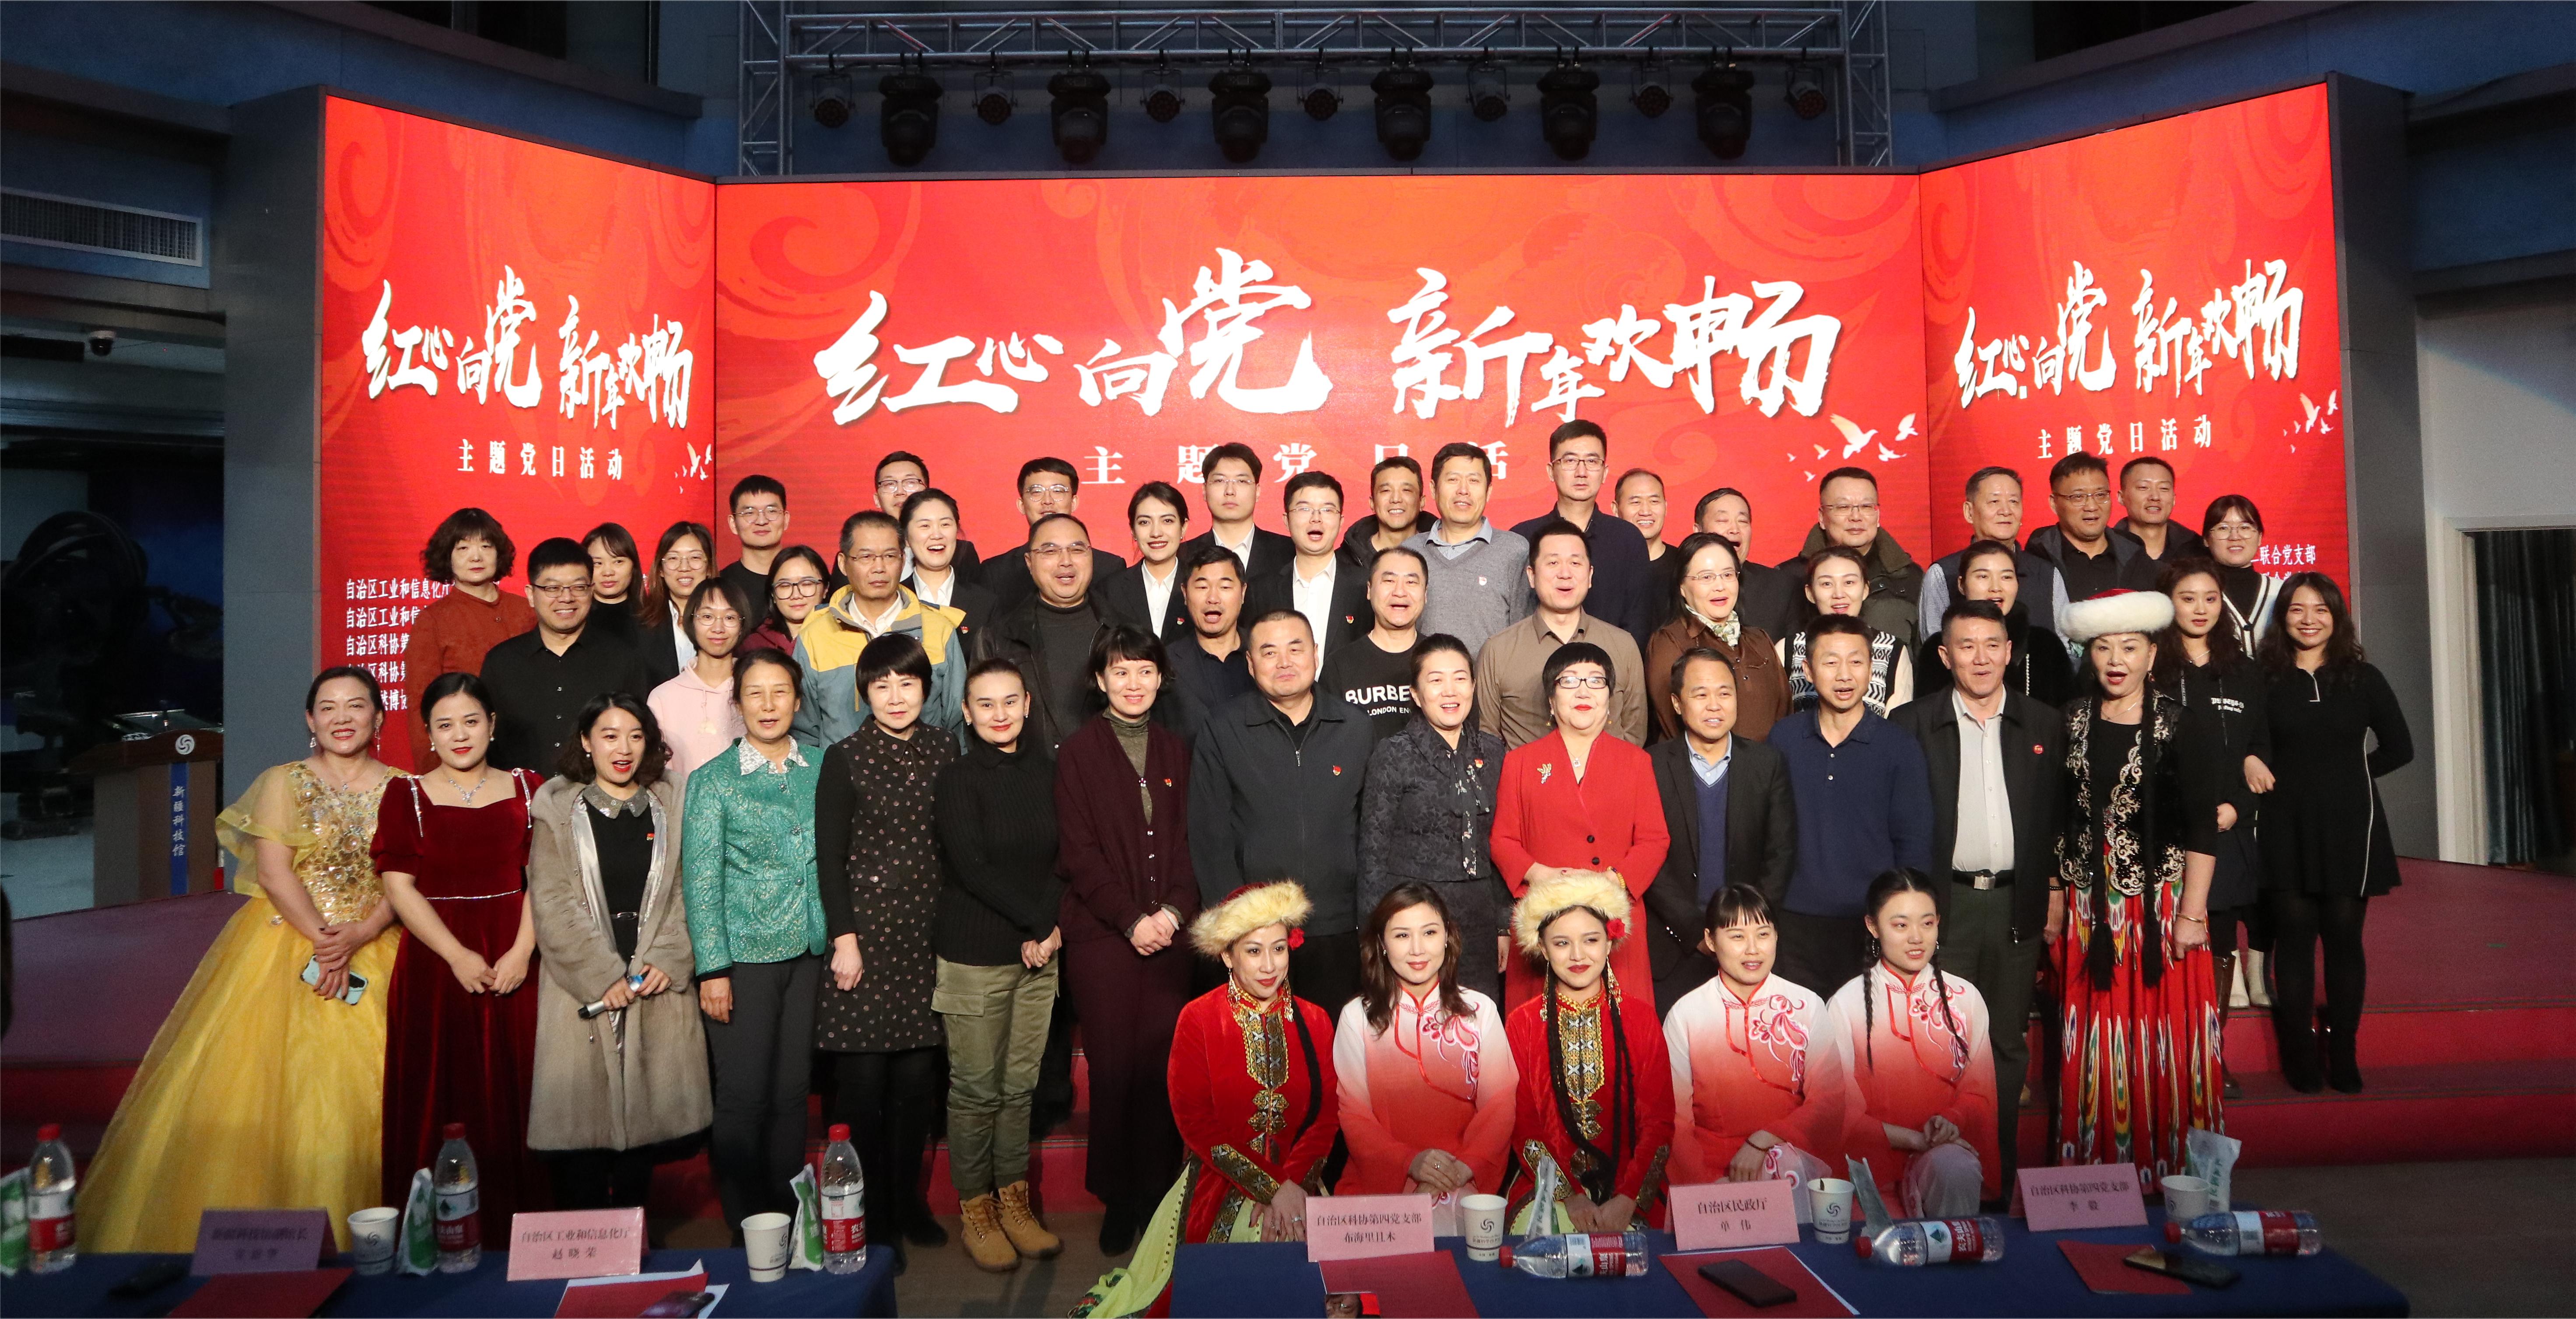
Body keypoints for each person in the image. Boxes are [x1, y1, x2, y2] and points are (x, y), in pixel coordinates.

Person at [77, 668, 408, 1252]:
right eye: (327, 707)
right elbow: (275, 874)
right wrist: (326, 941)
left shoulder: (404, 787)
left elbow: (404, 877)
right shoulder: (283, 781)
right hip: (288, 940)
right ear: (310, 720)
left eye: (356, 705)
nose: (342, 717)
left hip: (376, 939)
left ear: (379, 716)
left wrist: (361, 931)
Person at [1072, 882, 1339, 1318]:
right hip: (1219, 1181)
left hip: (1300, 1180)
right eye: (1253, 951)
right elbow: (1194, 1122)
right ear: (1227, 956)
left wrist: (1293, 1187)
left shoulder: (1315, 1019)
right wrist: (1270, 1188)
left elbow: (1325, 1115)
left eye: (1278, 949)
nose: (1269, 965)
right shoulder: (1198, 1017)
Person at [1888, 600, 2066, 1192]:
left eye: (1992, 644)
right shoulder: (1912, 724)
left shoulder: (2043, 723)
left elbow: (2056, 818)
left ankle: (1996, 1180)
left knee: (2005, 1045)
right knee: (1940, 1044)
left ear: (2009, 651)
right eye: (1966, 646)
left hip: (2015, 902)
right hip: (1944, 907)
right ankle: (1939, 1181)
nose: (1981, 657)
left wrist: (2052, 887)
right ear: (1945, 656)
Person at [2053, 588, 2225, 1183]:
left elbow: (2201, 825)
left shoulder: (2181, 724)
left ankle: (2174, 1173)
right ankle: (2097, 1171)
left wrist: (2192, 914)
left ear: (2152, 655)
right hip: (2088, 911)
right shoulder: (2071, 719)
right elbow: (2057, 815)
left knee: (2167, 1038)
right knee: (2095, 1041)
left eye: (2129, 647)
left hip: (2162, 909)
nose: (2115, 660)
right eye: (2103, 647)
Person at [375, 671, 547, 1242]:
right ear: (428, 733)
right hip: (436, 960)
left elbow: (545, 876)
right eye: (445, 725)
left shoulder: (528, 787)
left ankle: (526, 1235)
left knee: (522, 1089)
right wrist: (456, 955)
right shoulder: (406, 794)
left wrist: (522, 949)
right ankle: (440, 1236)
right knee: (442, 1093)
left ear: (492, 725)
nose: (460, 735)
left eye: (471, 721)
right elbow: (398, 885)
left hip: (516, 950)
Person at [525, 694, 709, 1211]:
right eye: (609, 736)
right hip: (581, 985)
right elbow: (551, 899)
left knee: (644, 1143)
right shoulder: (557, 806)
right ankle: (586, 1247)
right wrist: (601, 975)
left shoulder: (674, 799)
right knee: (581, 1141)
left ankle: (634, 1242)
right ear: (587, 742)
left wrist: (670, 956)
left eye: (634, 735)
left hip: (654, 979)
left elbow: (691, 886)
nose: (622, 748)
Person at [1055, 625, 1204, 1254]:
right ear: (1099, 680)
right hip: (1102, 936)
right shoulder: (1076, 753)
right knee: (1114, 1068)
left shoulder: (1178, 750)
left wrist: (1170, 912)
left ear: (1161, 678)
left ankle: (1157, 1194)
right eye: (1120, 671)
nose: (1133, 682)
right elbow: (1078, 852)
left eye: (1144, 670)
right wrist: (1130, 918)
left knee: (1162, 1067)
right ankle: (1118, 1198)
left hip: (1171, 932)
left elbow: (1194, 839)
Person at [814, 634, 960, 1262]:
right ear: (864, 693)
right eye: (882, 685)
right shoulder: (844, 757)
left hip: (927, 935)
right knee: (863, 1086)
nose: (896, 696)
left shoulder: (945, 748)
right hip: (866, 939)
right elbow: (829, 857)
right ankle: (868, 1217)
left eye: (907, 683)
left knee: (916, 1085)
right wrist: (844, 939)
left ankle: (907, 1204)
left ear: (925, 688)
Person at [682, 647, 828, 1238]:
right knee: (744, 1093)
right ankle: (744, 1220)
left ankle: (787, 1216)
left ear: (797, 699)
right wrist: (712, 968)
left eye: (780, 691)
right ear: (738, 705)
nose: (769, 705)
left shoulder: (821, 766)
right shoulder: (713, 780)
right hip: (742, 957)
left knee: (793, 1090)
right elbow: (700, 880)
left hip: (808, 951)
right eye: (755, 693)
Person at [933, 657, 1067, 1271]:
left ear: (1027, 704)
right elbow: (970, 866)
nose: (999, 714)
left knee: (1019, 1087)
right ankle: (977, 1210)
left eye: (1010, 701)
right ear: (966, 712)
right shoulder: (957, 778)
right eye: (985, 704)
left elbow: (1065, 856)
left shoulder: (1048, 772)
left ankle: (1015, 1204)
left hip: (1039, 957)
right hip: (976, 955)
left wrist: (1045, 928)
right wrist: (1035, 924)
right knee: (976, 1089)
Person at [2258, 572, 2412, 1095]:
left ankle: (2343, 1050)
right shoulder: (2263, 677)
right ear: (2282, 617)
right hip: (2284, 824)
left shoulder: (2361, 677)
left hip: (2351, 825)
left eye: (2320, 609)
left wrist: (2351, 776)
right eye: (2297, 609)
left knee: (2344, 940)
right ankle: (2300, 1055)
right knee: (2294, 940)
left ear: (2336, 616)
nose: (2309, 620)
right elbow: (2244, 744)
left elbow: (2400, 747)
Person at [1190, 610, 1374, 1014]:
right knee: (1260, 1047)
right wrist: (1236, 926)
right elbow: (1210, 836)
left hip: (1340, 927)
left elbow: (1372, 832)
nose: (1284, 662)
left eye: (1295, 648)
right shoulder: (1223, 729)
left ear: (1316, 653)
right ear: (1250, 663)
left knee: (1334, 1045)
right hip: (1257, 935)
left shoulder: (1355, 727)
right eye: (1269, 652)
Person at [1490, 643, 1668, 1010]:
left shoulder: (1636, 761)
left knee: (1621, 1025)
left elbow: (1654, 840)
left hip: (1613, 916)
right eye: (1569, 681)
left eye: (1595, 681)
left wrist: (1611, 882)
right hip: (1544, 915)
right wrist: (1539, 874)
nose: (1583, 691)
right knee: (1540, 1028)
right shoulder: (1520, 762)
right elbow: (1503, 840)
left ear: (1610, 699)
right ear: (1551, 700)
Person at [2155, 557, 2276, 1095]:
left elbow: (2262, 750)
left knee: (2218, 944)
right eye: (2187, 599)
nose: (2200, 609)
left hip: (2225, 830)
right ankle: (2160, 1059)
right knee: (2162, 946)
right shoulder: (2150, 663)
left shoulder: (2243, 670)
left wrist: (2237, 808)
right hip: (2162, 831)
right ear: (2168, 603)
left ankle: (2210, 1058)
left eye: (2210, 599)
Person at [1769, 616, 1936, 994]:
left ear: (1871, 668)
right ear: (1808, 670)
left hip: (1871, 923)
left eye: (1856, 661)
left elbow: (1914, 843)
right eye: (1830, 662)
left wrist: (1902, 919)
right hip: (1795, 923)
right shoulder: (1784, 738)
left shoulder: (1899, 746)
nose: (1844, 675)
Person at [1501, 873, 1675, 1233]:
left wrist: (1628, 1197)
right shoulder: (1522, 1023)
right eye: (1562, 943)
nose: (1577, 955)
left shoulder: (1641, 1017)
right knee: (1546, 1235)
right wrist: (1568, 1195)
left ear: (1610, 942)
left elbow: (1658, 1122)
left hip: (1629, 1187)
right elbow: (1524, 1123)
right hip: (1547, 1186)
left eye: (1591, 940)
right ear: (1543, 948)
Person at [1826, 869, 1998, 1218]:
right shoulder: (1845, 1005)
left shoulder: (1965, 998)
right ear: (1873, 926)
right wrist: (1913, 1139)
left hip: (1940, 1154)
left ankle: (1954, 1249)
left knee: (1955, 1168)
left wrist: (1951, 1120)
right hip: (1870, 1160)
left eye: (1927, 923)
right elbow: (1839, 1111)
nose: (1916, 938)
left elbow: (1979, 1092)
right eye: (1901, 925)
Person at [1335, 885, 1517, 1200]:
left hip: (1463, 1179)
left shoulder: (1480, 1010)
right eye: (1402, 936)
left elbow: (1499, 1106)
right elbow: (1355, 1114)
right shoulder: (1357, 1017)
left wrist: (1463, 1169)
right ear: (1382, 944)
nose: (1417, 949)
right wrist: (1410, 1163)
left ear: (1447, 937)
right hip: (1382, 1183)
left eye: (1430, 932)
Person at [1663, 885, 1848, 1190]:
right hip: (1712, 1170)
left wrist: (1764, 1139)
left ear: (1776, 936)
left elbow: (1829, 1102)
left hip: (1795, 1158)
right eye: (1737, 936)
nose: (1753, 949)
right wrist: (1704, 1189)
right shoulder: (1686, 1014)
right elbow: (1675, 1120)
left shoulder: (1807, 1005)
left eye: (1763, 934)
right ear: (1710, 940)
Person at [1644, 649, 1797, 1011]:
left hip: (1747, 947)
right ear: (1677, 703)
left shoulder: (1766, 763)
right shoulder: (1650, 764)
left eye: (1724, 693)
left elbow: (1781, 853)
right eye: (1700, 694)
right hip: (1674, 947)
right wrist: (1695, 930)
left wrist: (1744, 929)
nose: (1714, 705)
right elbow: (1647, 858)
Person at [1357, 636, 1507, 1000]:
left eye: (1459, 678)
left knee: (1475, 1016)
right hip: (1414, 918)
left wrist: (1503, 924)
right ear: (1415, 693)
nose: (1449, 690)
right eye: (1436, 680)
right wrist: (1374, 933)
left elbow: (1500, 843)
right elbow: (1372, 852)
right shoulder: (1394, 753)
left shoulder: (1493, 751)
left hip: (1479, 915)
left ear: (1473, 686)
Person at [793, 510, 969, 748]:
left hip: (926, 768)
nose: (879, 568)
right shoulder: (816, 634)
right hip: (843, 770)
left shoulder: (938, 628)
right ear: (843, 563)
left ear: (903, 560)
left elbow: (956, 724)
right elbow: (804, 732)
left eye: (890, 556)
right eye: (866, 557)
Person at [480, 538, 655, 774]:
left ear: (591, 591)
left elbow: (640, 740)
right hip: (521, 795)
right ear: (531, 594)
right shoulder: (501, 663)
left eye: (578, 587)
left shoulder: (624, 659)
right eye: (552, 588)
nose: (566, 598)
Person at [1472, 520, 1648, 748]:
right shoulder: (1498, 650)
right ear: (1531, 576)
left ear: (1590, 575)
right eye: (1553, 563)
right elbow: (1487, 738)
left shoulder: (1623, 645)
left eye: (1575, 563)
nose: (1565, 574)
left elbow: (1634, 734)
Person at [400, 507, 533, 770]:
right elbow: (421, 705)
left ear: (499, 553)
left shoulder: (528, 610)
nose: (476, 556)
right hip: (465, 757)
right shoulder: (433, 620)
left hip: (529, 749)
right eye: (463, 548)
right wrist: (433, 774)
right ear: (447, 556)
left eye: (486, 546)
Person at [975, 512, 1112, 752]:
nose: (1066, 561)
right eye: (1050, 551)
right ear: (1029, 562)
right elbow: (981, 721)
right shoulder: (997, 638)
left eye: (1077, 550)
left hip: (1104, 771)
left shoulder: (1123, 633)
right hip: (1024, 772)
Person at [1509, 421, 1652, 645]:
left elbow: (1638, 623)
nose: (1582, 472)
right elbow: (1514, 623)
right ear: (1551, 471)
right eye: (1570, 461)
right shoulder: (1521, 538)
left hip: (1611, 664)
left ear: (1605, 473)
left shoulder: (1628, 539)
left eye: (1592, 462)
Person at [1645, 532, 1791, 743]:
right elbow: (1672, 725)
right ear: (1682, 587)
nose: (1720, 586)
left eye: (1728, 575)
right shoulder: (1669, 642)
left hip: (1767, 762)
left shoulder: (1759, 639)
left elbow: (1785, 713)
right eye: (1706, 577)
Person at [1912, 539, 2076, 707]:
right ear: (1961, 585)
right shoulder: (1938, 647)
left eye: (2006, 577)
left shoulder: (2046, 645)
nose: (1996, 587)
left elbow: (2064, 713)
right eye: (1983, 576)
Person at [1405, 441, 1533, 656]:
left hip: (1493, 679)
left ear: (1488, 491)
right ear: (1434, 489)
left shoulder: (1515, 550)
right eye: (1453, 480)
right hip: (1422, 677)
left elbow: (1525, 634)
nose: (1463, 490)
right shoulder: (1409, 552)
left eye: (1474, 481)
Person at [1914, 467, 2067, 643]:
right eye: (1994, 502)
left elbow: (2066, 649)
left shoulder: (2047, 574)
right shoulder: (1943, 574)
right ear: (1969, 512)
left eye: (2014, 502)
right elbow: (1934, 647)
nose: (2006, 511)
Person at [1781, 467, 1922, 645]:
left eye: (1866, 507)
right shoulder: (1788, 579)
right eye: (1844, 507)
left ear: (1878, 515)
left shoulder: (1910, 578)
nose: (1856, 517)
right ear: (1822, 517)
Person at [1778, 544, 1916, 717]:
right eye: (1827, 584)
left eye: (1849, 582)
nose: (1839, 594)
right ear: (1810, 593)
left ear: (1865, 590)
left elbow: (1899, 721)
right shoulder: (1787, 649)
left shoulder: (1893, 649)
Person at [1248, 471, 1368, 661]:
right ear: (1287, 520)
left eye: (1327, 510)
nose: (1316, 518)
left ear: (1341, 522)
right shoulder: (1261, 590)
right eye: (1305, 509)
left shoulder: (1366, 586)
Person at [984, 457, 1129, 612]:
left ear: (1074, 502)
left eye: (1058, 491)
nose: (1048, 501)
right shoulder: (995, 572)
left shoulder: (1110, 567)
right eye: (1036, 492)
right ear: (1022, 505)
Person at [1319, 545, 1427, 742]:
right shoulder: (1340, 665)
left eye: (1411, 582)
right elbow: (1327, 741)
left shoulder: (1442, 661)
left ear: (1425, 594)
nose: (1400, 592)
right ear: (1369, 590)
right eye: (1389, 581)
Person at [648, 578, 751, 784]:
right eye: (707, 617)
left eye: (730, 617)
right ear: (691, 622)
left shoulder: (755, 690)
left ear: (742, 625)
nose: (718, 628)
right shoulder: (663, 698)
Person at [2026, 452, 2157, 605]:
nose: (2092, 506)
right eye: (2078, 497)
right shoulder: (2037, 559)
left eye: (2101, 495)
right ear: (2054, 504)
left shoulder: (2134, 553)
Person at [1161, 542, 1256, 745]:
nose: (1213, 598)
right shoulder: (1165, 664)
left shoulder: (1265, 654)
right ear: (1185, 594)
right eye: (1202, 587)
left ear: (1243, 593)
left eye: (1225, 587)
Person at [1694, 487, 1802, 641]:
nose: (1734, 529)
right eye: (1723, 520)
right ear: (1698, 531)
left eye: (1743, 521)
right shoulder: (1675, 583)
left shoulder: (1782, 587)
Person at [1181, 442, 1293, 581]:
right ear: (1204, 491)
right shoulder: (1182, 555)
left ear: (1257, 491)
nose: (1230, 491)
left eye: (1241, 481)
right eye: (1220, 481)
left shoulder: (1290, 551)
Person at [1100, 481, 1194, 642]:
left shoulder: (1199, 584)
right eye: (1145, 522)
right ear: (1133, 530)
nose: (1156, 533)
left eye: (1167, 521)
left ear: (1183, 527)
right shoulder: (1110, 590)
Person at [900, 489, 996, 641]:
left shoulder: (986, 602)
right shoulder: (894, 600)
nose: (937, 535)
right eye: (925, 526)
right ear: (906, 538)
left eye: (945, 524)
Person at [638, 521, 717, 689]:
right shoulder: (641, 625)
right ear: (661, 569)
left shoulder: (724, 622)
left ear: (709, 567)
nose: (684, 568)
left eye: (695, 558)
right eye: (674, 559)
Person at [878, 450, 980, 578]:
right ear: (877, 499)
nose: (900, 492)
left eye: (910, 483)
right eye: (889, 484)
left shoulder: (961, 552)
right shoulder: (860, 553)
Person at [2203, 494, 2287, 647]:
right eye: (2223, 528)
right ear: (2206, 540)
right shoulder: (2197, 594)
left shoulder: (2282, 590)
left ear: (2260, 537)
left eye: (2245, 528)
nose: (2235, 537)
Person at [1338, 454, 1436, 571]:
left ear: (1422, 502)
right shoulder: (1343, 562)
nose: (1396, 499)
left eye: (1406, 490)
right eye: (1386, 490)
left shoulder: (1443, 553)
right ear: (1372, 503)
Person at [1616, 467, 1681, 636]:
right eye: (1636, 502)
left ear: (1666, 507)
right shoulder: (1603, 565)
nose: (1646, 511)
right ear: (1616, 510)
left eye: (1654, 501)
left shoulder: (1685, 564)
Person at [717, 475, 795, 615]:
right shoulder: (719, 586)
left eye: (771, 511)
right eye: (749, 513)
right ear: (733, 524)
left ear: (786, 519)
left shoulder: (808, 582)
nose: (761, 521)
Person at [742, 543, 830, 656]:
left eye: (807, 584)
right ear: (773, 594)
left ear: (826, 589)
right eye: (785, 586)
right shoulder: (752, 645)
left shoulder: (843, 638)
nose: (796, 595)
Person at [2116, 455, 2205, 567]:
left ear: (2174, 499)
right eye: (2144, 487)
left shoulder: (2198, 550)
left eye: (2164, 489)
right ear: (2121, 497)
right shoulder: (2106, 548)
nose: (2155, 497)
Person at [582, 521, 645, 647]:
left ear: (633, 566)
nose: (608, 572)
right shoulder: (574, 620)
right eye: (598, 563)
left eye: (618, 562)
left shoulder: (653, 620)